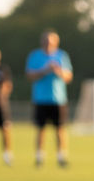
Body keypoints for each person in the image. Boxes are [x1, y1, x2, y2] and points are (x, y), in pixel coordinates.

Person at [25, 29, 73, 167]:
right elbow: (29, 75)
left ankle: (61, 157)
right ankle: (39, 157)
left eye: (51, 41)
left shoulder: (62, 56)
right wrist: (44, 70)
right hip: (40, 98)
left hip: (58, 99)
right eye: (45, 41)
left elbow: (68, 76)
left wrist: (58, 71)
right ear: (41, 42)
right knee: (41, 129)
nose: (48, 43)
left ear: (56, 42)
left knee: (60, 129)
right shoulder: (34, 56)